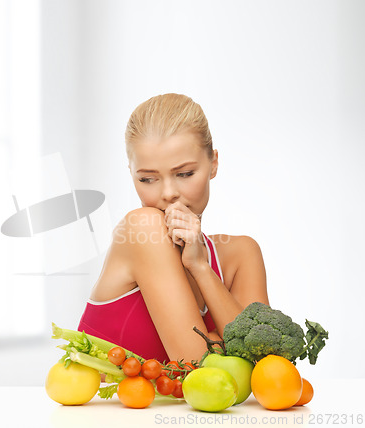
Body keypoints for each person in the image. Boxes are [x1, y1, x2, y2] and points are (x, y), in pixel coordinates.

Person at [77, 93, 269, 363]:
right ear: (131, 173)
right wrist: (217, 338)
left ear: (213, 163)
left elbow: (264, 364)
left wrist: (201, 267)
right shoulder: (142, 226)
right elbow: (197, 365)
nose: (168, 193)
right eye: (147, 178)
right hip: (104, 406)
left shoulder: (241, 254)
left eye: (185, 174)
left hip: (192, 408)